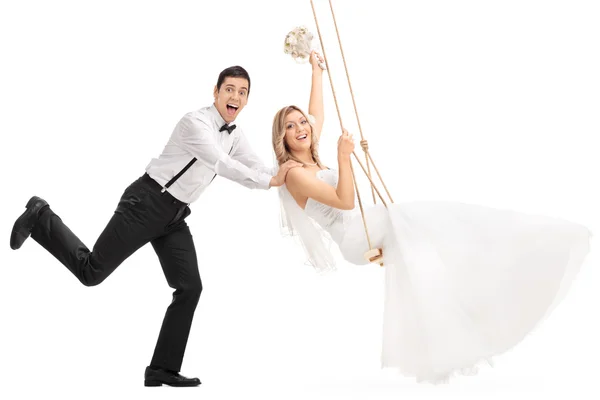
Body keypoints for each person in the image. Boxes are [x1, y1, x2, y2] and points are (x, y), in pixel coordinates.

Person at [272, 51, 591, 383]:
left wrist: (316, 72)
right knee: (421, 217)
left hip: (365, 227)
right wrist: (343, 157)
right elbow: (345, 200)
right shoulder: (294, 173)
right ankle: (485, 271)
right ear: (283, 138)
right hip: (353, 236)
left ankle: (459, 318)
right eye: (290, 126)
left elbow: (317, 112)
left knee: (427, 241)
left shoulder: (310, 154)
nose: (301, 127)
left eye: (302, 122)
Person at [9, 65, 302, 387]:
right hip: (147, 202)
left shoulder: (236, 135)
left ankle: (161, 369)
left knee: (190, 288)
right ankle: (41, 216)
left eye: (242, 92)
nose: (235, 96)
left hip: (174, 217)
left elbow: (254, 165)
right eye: (229, 89)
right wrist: (268, 180)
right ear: (216, 92)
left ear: (247, 100)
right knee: (91, 273)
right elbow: (221, 163)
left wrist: (283, 172)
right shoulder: (195, 123)